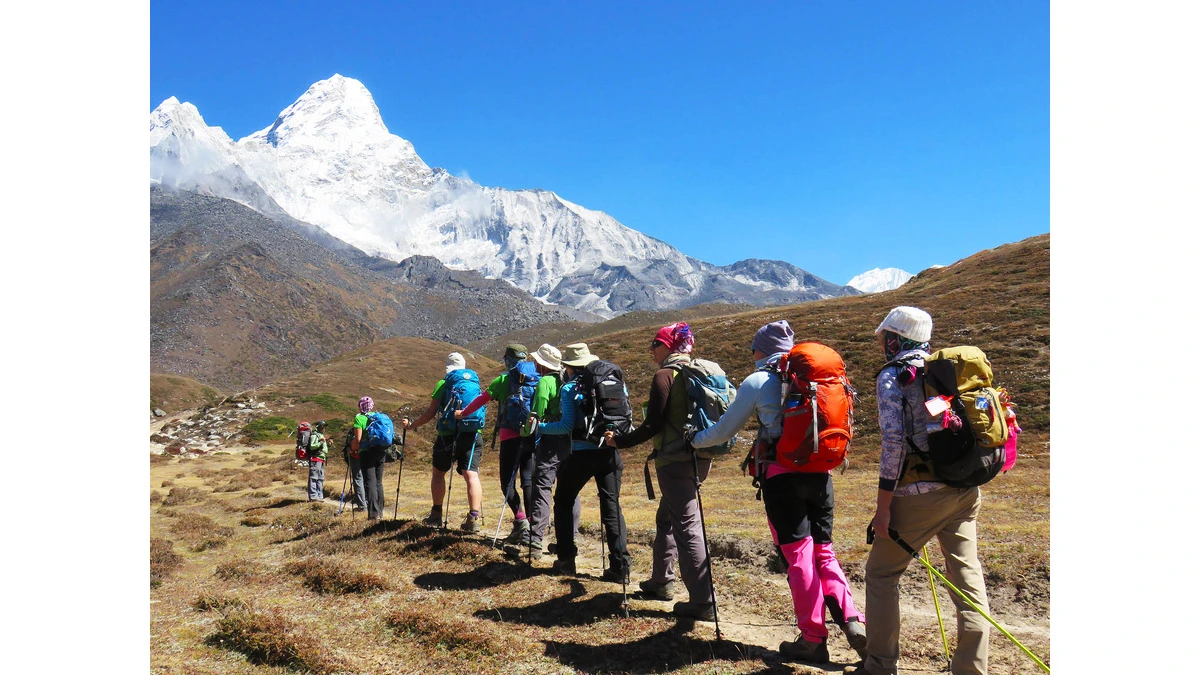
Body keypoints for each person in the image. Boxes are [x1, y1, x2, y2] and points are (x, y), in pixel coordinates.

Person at [689, 320, 866, 663]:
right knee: (824, 553)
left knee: (799, 557)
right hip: (820, 474)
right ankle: (852, 620)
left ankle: (813, 638)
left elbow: (725, 429)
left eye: (753, 347)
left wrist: (694, 440)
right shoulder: (813, 379)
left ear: (761, 349)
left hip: (783, 477)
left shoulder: (758, 380)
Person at [847, 307, 990, 675]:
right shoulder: (945, 373)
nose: (881, 344)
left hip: (919, 496)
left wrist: (883, 509)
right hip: (964, 490)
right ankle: (971, 669)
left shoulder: (894, 377)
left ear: (895, 339)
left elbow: (893, 444)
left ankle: (879, 665)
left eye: (884, 338)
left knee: (881, 575)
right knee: (967, 582)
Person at [604, 322, 714, 621]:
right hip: (700, 456)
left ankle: (702, 601)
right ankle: (660, 580)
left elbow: (653, 423)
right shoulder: (697, 372)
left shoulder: (665, 375)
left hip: (674, 459)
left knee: (686, 525)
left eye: (655, 343)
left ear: (669, 345)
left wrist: (620, 442)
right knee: (667, 517)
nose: (651, 349)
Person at [541, 343, 631, 580]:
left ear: (568, 367)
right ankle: (620, 566)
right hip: (610, 451)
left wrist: (538, 428)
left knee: (563, 500)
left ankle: (566, 559)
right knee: (611, 506)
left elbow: (565, 426)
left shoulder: (571, 388)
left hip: (582, 453)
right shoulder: (613, 382)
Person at [456, 345, 536, 544]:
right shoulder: (537, 377)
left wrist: (462, 414)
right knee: (528, 480)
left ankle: (520, 521)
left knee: (507, 482)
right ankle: (534, 526)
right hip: (532, 434)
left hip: (510, 436)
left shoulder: (503, 380)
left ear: (508, 359)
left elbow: (480, 400)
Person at [402, 352, 486, 532]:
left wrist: (412, 426)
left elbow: (430, 413)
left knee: (438, 474)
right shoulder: (474, 383)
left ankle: (436, 514)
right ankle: (474, 518)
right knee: (471, 475)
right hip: (472, 434)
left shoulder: (443, 384)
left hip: (447, 435)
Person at [513, 343, 581, 559]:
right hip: (572, 441)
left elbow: (537, 412)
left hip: (550, 440)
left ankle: (535, 540)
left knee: (542, 486)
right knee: (570, 489)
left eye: (536, 361)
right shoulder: (568, 380)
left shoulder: (545, 382)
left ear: (541, 364)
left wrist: (525, 431)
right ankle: (570, 538)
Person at [351, 397, 387, 520]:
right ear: (371, 405)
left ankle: (373, 514)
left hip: (367, 453)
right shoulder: (377, 417)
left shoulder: (359, 418)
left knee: (370, 482)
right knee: (378, 482)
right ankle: (380, 512)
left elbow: (358, 440)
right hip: (381, 451)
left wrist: (352, 447)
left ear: (360, 406)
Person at [306, 421, 330, 501]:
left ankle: (319, 496)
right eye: (322, 427)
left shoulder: (321, 435)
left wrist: (328, 445)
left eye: (324, 427)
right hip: (315, 459)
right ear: (318, 427)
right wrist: (321, 442)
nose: (324, 428)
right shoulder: (314, 435)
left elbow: (324, 450)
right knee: (314, 477)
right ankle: (313, 496)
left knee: (320, 478)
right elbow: (312, 446)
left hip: (321, 459)